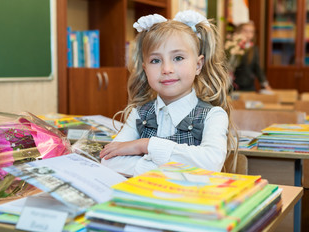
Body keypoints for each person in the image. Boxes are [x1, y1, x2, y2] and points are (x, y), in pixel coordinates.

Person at [100, 10, 237, 177]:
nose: (166, 69)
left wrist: (145, 145)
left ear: (198, 65)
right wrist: (181, 171)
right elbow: (109, 160)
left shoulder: (214, 115)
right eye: (155, 61)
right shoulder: (139, 114)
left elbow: (210, 164)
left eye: (178, 58)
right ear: (145, 69)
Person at [232, 21, 271, 91]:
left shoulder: (254, 49)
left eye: (251, 32)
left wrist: (265, 84)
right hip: (233, 86)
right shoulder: (232, 47)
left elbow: (258, 68)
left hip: (248, 86)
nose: (248, 34)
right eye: (245, 31)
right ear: (238, 32)